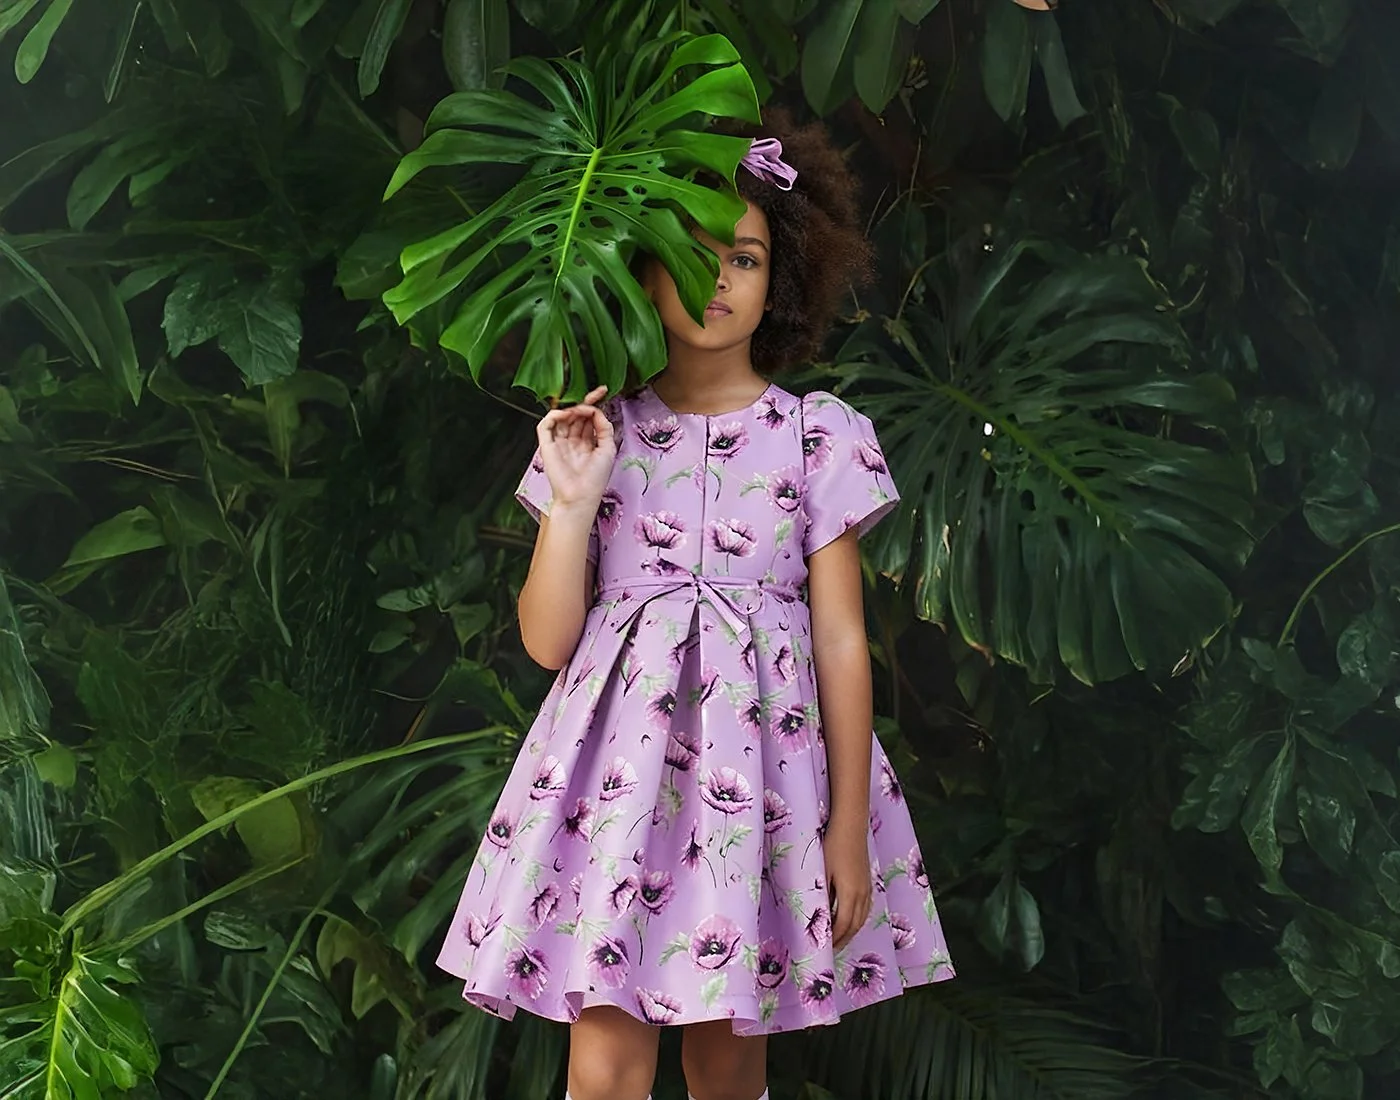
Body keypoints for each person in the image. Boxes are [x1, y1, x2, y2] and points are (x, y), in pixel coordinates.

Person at [435, 113, 955, 1100]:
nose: (718, 278)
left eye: (745, 257)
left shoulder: (816, 436)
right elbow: (546, 642)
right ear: (640, 271)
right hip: (615, 792)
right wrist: (572, 501)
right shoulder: (596, 435)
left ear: (781, 278)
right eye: (690, 253)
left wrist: (846, 827)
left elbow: (841, 640)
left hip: (761, 792)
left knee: (725, 1054)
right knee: (604, 1061)